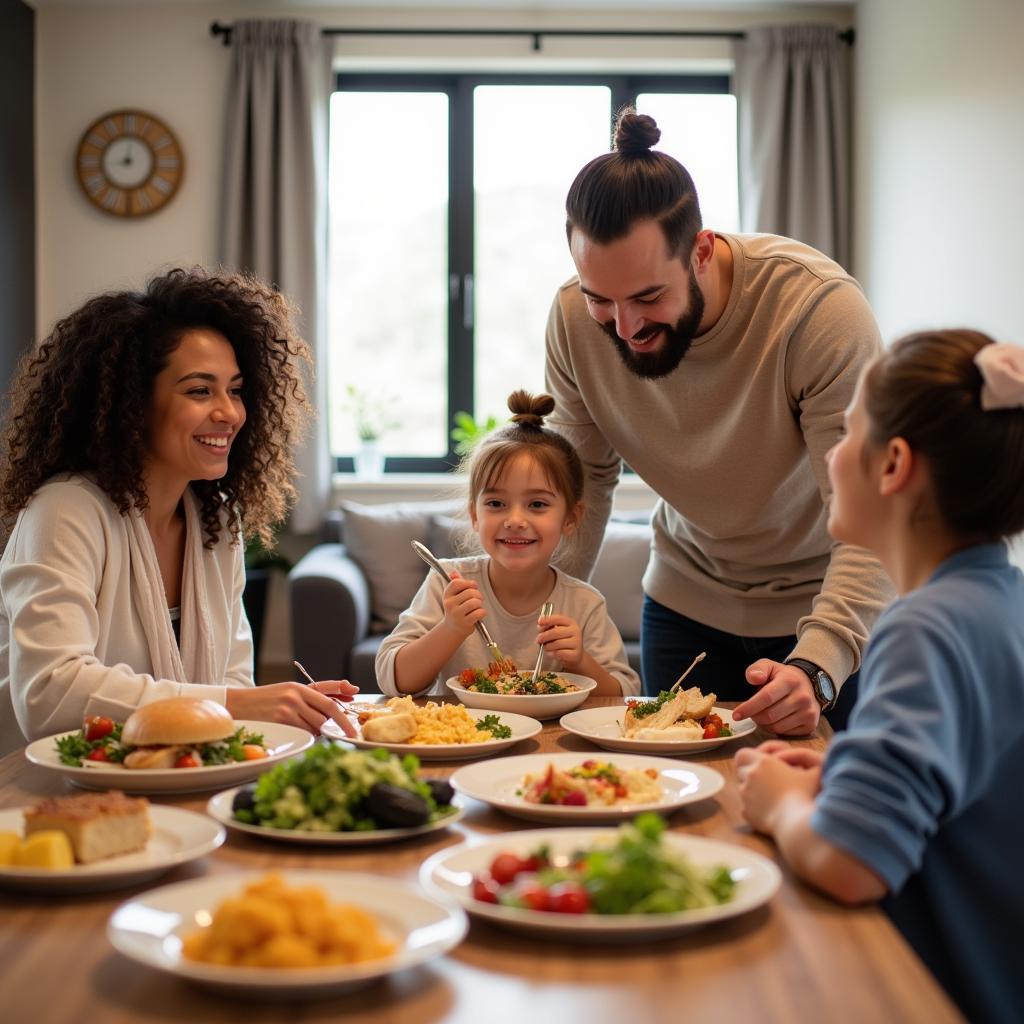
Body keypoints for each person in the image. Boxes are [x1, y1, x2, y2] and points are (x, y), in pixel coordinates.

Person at [544, 107, 894, 734]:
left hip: (823, 612)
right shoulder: (573, 320)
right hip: (683, 602)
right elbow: (584, 485)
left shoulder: (818, 313)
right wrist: (537, 613)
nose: (624, 329)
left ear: (701, 251)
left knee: (814, 813)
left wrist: (818, 664)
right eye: (602, 299)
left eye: (649, 297)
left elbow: (870, 512)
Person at [736, 330, 1024, 1023]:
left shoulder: (924, 626)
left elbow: (851, 863)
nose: (832, 456)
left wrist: (782, 805)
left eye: (846, 433)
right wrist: (834, 782)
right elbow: (950, 794)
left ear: (894, 463)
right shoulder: (1000, 603)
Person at [0, 267, 357, 752]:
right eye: (199, 390)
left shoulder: (217, 520)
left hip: (173, 783)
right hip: (47, 794)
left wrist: (287, 709)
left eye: (234, 389)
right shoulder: (64, 510)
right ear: (133, 404)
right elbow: (49, 696)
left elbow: (234, 680)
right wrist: (235, 704)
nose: (229, 413)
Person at [376, 390, 641, 698]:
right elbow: (393, 679)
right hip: (465, 738)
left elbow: (623, 695)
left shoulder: (584, 604)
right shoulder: (448, 584)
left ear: (570, 517)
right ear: (475, 515)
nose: (515, 519)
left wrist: (581, 661)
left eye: (538, 504)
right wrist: (451, 628)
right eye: (497, 503)